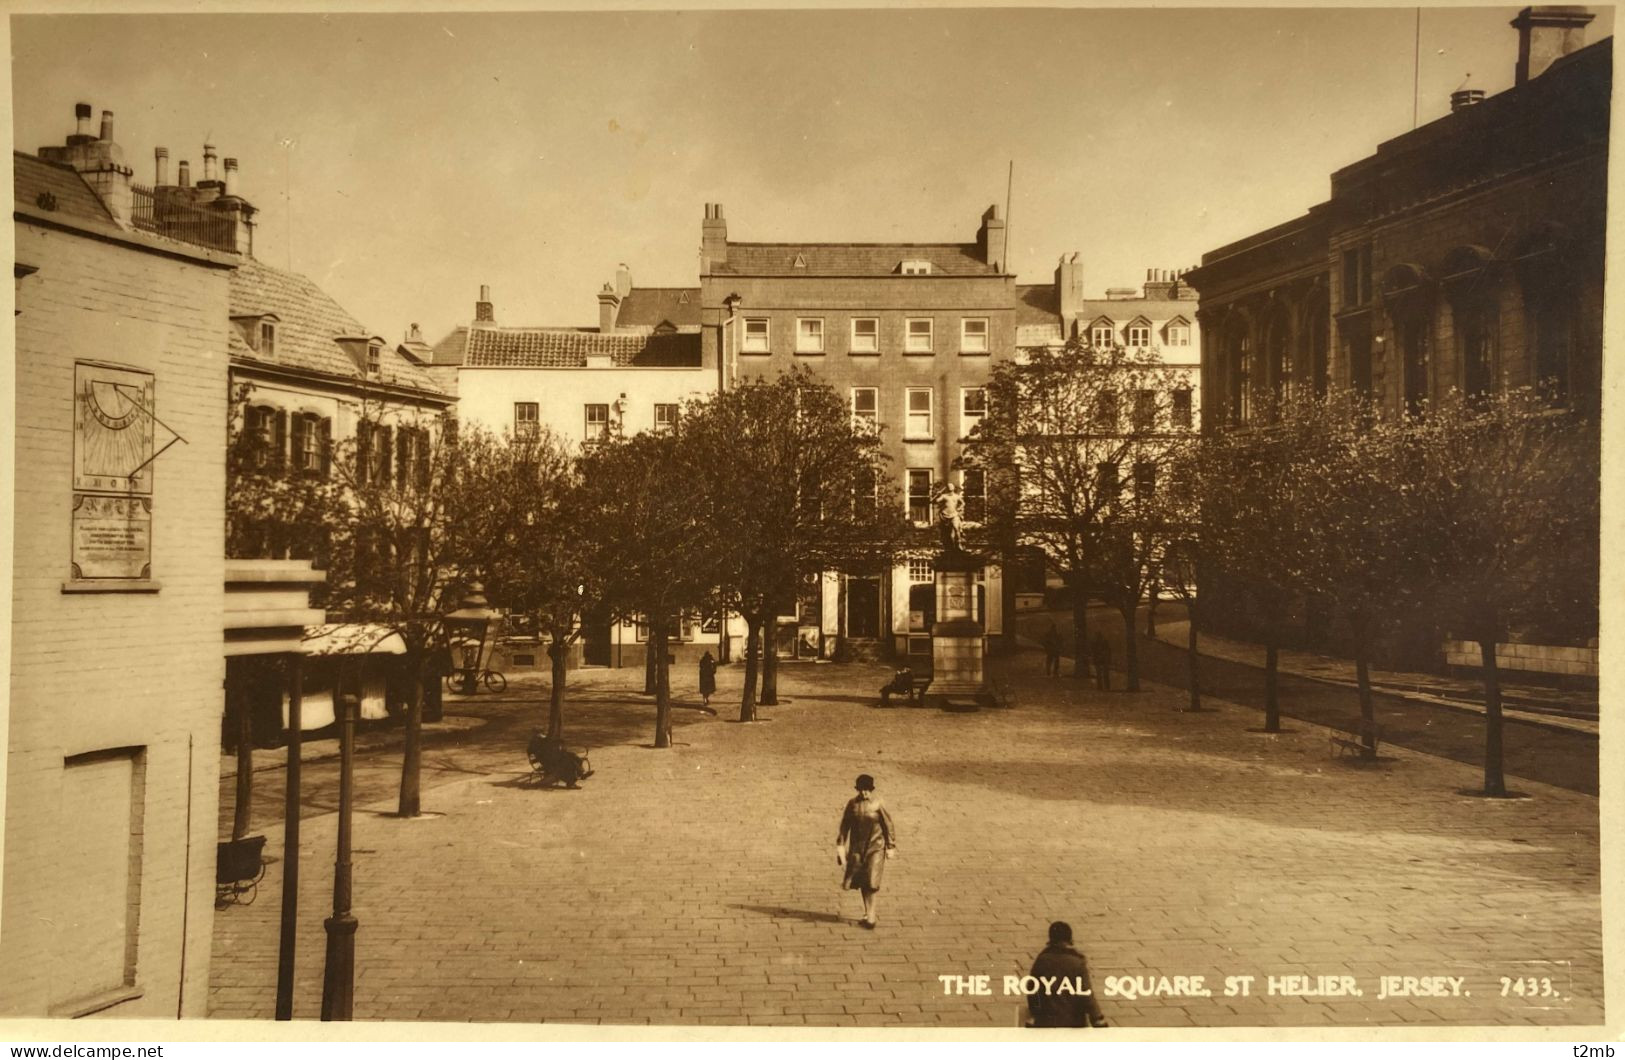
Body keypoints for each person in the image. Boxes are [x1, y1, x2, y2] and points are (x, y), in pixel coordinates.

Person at [836, 774, 897, 928]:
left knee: (872, 882)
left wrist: (891, 846)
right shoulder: (853, 804)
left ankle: (871, 918)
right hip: (857, 848)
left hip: (876, 847)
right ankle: (867, 912)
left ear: (871, 790)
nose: (864, 793)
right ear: (858, 790)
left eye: (867, 790)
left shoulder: (878, 804)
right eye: (862, 790)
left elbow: (888, 825)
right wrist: (841, 846)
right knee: (863, 881)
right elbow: (845, 826)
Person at [1025, 921, 1109, 1028]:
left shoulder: (1041, 960)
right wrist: (1097, 1017)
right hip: (1073, 1023)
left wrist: (1035, 1013)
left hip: (1046, 1022)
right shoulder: (1077, 963)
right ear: (1070, 939)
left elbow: (1032, 990)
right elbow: (1086, 993)